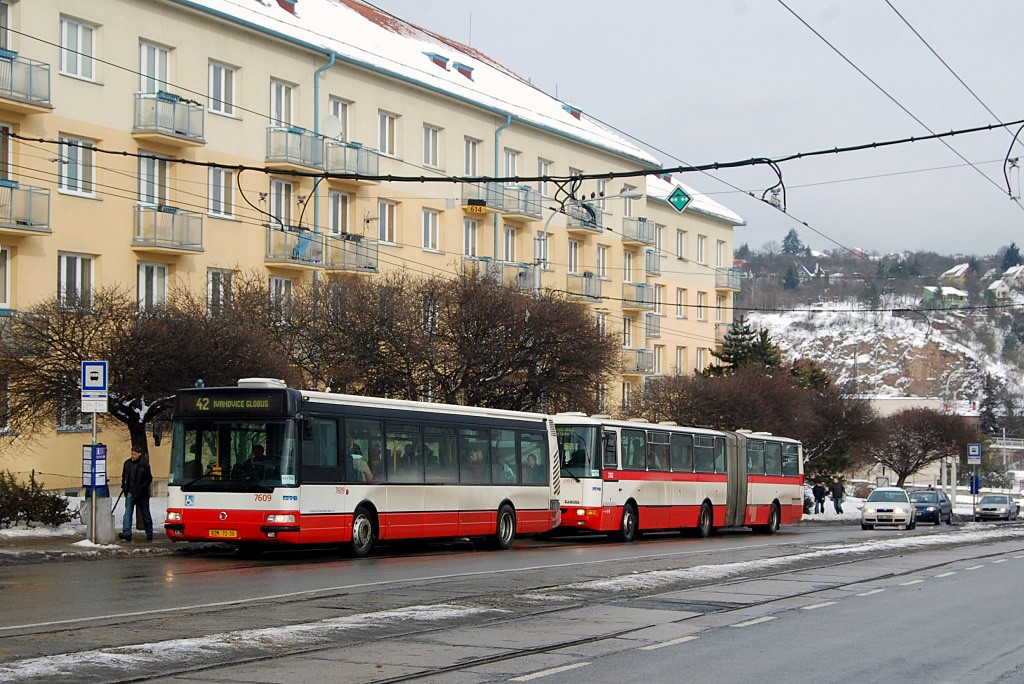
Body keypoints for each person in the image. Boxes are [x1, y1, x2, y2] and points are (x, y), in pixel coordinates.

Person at [118, 445, 153, 542]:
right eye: (133, 454)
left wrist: (141, 488)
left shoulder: (144, 464)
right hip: (130, 491)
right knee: (128, 513)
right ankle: (127, 533)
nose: (133, 456)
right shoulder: (127, 463)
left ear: (140, 454)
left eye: (136, 454)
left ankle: (149, 532)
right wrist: (125, 487)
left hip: (141, 493)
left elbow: (149, 478)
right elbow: (124, 477)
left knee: (145, 513)